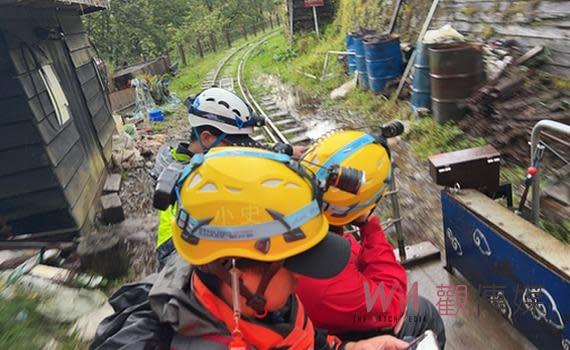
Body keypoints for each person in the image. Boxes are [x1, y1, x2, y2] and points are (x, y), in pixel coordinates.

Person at [91, 147, 410, 350]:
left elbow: (308, 342)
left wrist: (355, 348)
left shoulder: (269, 308)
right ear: (235, 273)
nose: (299, 280)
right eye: (292, 264)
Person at [297, 130, 446, 348]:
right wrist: (369, 226)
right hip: (330, 330)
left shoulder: (304, 228)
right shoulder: (326, 275)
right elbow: (393, 302)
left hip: (318, 328)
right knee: (422, 313)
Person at [154, 87, 304, 268]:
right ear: (207, 138)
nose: (240, 151)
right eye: (233, 143)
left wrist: (285, 150)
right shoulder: (181, 183)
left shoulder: (216, 154)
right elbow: (170, 258)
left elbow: (246, 149)